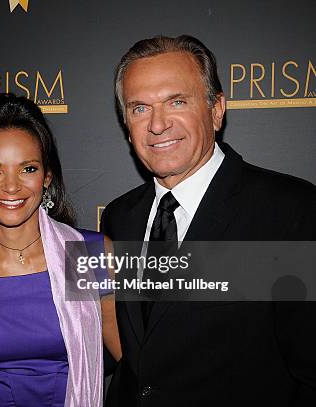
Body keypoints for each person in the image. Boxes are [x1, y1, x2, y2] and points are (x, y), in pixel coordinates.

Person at [101, 35, 316, 406]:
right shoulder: (118, 217)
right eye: (139, 108)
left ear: (217, 109)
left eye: (177, 102)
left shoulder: (292, 211)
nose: (157, 124)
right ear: (126, 122)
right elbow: (99, 343)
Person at [0, 93, 121, 406]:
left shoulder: (88, 254)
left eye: (27, 169)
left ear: (47, 177)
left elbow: (140, 370)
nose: (10, 186)